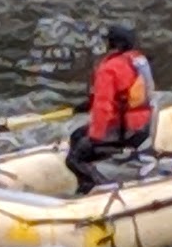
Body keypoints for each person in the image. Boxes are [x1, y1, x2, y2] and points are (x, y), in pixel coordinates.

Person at [66, 24, 156, 195]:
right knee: (76, 136)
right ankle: (85, 184)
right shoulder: (138, 60)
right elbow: (124, 94)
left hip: (124, 132)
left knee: (74, 159)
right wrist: (88, 105)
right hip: (142, 127)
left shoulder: (109, 69)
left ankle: (101, 188)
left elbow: (103, 108)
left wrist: (95, 137)